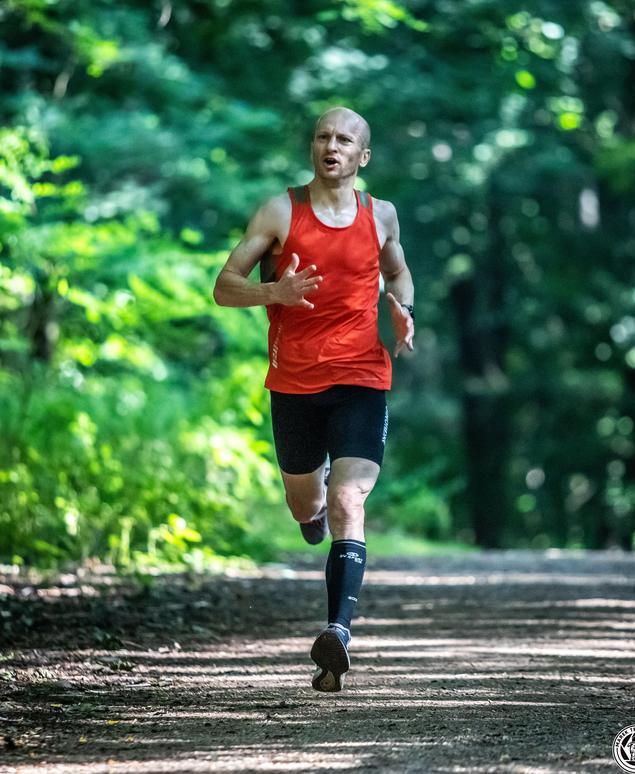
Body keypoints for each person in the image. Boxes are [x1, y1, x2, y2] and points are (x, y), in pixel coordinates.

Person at [212, 106, 414, 692]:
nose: (332, 146)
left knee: (350, 497)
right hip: (295, 383)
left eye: (345, 139)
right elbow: (224, 287)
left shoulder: (382, 216)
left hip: (362, 377)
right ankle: (312, 511)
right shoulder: (281, 210)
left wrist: (403, 312)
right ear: (313, 149)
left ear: (362, 156)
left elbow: (399, 275)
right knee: (308, 507)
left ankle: (337, 634)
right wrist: (275, 290)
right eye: (323, 137)